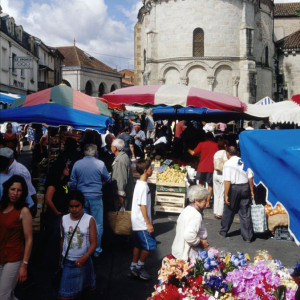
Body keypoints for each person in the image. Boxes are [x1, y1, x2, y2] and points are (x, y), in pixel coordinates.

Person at [70, 144, 111, 256]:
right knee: (97, 224)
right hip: (96, 197)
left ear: (84, 152)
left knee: (83, 223)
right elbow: (108, 178)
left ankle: (83, 248)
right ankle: (96, 249)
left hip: (82, 198)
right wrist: (100, 183)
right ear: (95, 153)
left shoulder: (77, 164)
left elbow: (73, 182)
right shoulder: (100, 164)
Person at [58, 190, 97, 300]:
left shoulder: (89, 220)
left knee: (83, 293)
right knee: (64, 296)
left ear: (83, 205)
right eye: (71, 206)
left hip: (83, 263)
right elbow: (62, 240)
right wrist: (60, 260)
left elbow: (94, 243)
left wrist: (85, 257)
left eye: (77, 206)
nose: (74, 209)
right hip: (68, 262)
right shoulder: (64, 219)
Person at [0, 175, 33, 300]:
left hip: (13, 258)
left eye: (19, 190)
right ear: (7, 189)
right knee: (8, 295)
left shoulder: (23, 211)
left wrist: (24, 265)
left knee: (2, 296)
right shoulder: (1, 207)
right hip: (1, 255)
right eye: (12, 189)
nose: (15, 193)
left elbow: (29, 239)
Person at [219, 146, 254, 242]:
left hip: (234, 188)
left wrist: (226, 195)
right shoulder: (244, 162)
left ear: (228, 153)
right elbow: (250, 177)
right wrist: (251, 190)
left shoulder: (228, 164)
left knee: (229, 210)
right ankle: (248, 236)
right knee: (245, 212)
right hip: (245, 187)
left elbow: (227, 181)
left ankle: (223, 231)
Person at [128, 159, 156, 280]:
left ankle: (133, 267)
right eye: (150, 168)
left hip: (137, 221)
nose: (152, 170)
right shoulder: (143, 187)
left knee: (138, 245)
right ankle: (139, 267)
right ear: (146, 170)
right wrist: (148, 223)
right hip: (142, 222)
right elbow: (142, 206)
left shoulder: (139, 184)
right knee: (149, 245)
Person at [43, 161, 70, 268]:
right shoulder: (54, 183)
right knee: (55, 238)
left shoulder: (64, 182)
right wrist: (57, 212)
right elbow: (48, 200)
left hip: (63, 214)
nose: (68, 170)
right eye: (66, 168)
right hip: (56, 216)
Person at [171, 185, 210, 261]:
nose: (207, 204)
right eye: (205, 200)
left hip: (180, 249)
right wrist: (201, 242)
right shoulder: (196, 215)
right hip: (188, 253)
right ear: (196, 200)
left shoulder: (187, 209)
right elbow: (189, 236)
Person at [0, 147, 37, 216]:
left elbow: (30, 191)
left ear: (9, 160)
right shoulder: (7, 172)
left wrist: (33, 210)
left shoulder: (19, 171)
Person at [188, 132, 218, 208]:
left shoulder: (201, 144)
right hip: (211, 167)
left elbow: (193, 153)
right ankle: (207, 202)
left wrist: (187, 149)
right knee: (210, 185)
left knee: (200, 184)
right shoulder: (216, 145)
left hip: (202, 167)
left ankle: (200, 201)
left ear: (205, 137)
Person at [111, 139, 134, 211]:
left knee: (122, 216)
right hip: (126, 191)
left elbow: (121, 178)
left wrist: (121, 195)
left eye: (112, 146)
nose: (110, 147)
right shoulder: (123, 156)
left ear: (115, 148)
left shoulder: (121, 159)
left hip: (123, 193)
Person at [213, 139, 228, 219]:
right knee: (222, 194)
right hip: (222, 174)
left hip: (215, 173)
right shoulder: (225, 153)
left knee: (216, 193)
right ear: (225, 145)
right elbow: (226, 164)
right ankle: (220, 213)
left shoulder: (216, 153)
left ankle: (215, 211)